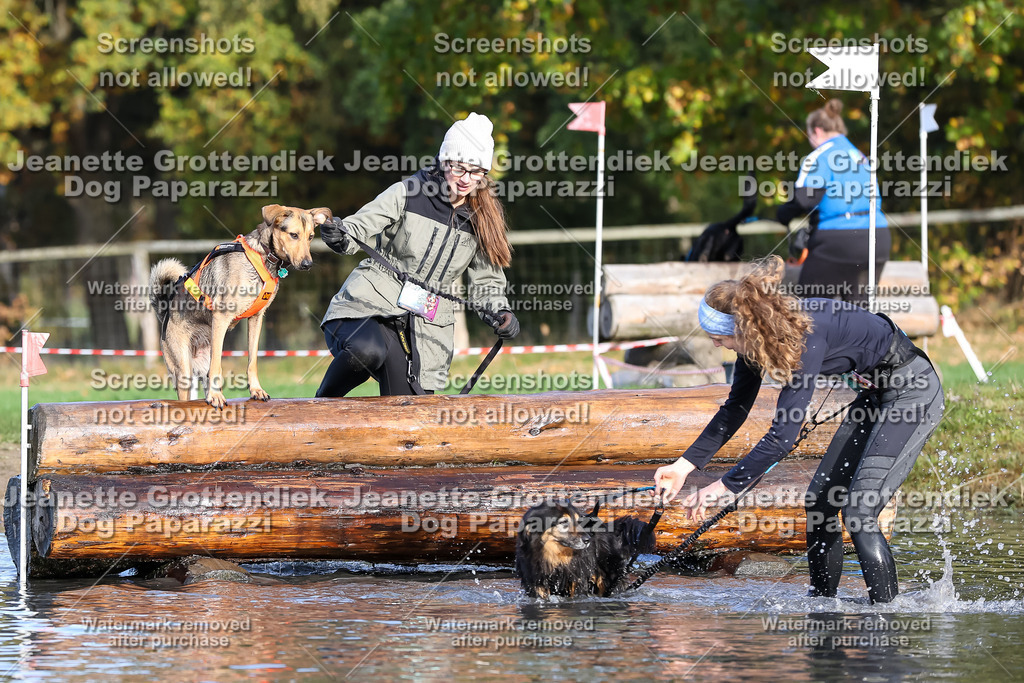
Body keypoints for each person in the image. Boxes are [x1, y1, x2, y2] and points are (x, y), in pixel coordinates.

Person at [653, 256, 944, 603]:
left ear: (744, 329)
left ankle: (887, 617)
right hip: (877, 393)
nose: (717, 345)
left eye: (720, 337)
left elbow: (782, 437)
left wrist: (723, 487)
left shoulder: (801, 337)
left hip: (913, 391)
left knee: (859, 510)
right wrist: (682, 467)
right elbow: (735, 409)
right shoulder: (757, 340)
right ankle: (821, 607)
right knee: (819, 503)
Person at [316, 113, 518, 396]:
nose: (466, 179)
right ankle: (319, 406)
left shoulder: (484, 217)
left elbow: (488, 281)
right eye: (459, 168)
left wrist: (501, 311)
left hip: (427, 326)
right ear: (444, 160)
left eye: (476, 172)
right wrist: (341, 235)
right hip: (369, 304)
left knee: (411, 412)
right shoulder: (408, 192)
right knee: (367, 350)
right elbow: (359, 226)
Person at [777, 99, 889, 308]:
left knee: (811, 312)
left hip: (840, 240)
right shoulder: (859, 155)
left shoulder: (821, 155)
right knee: (858, 316)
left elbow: (805, 198)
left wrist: (782, 213)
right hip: (878, 236)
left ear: (817, 131)